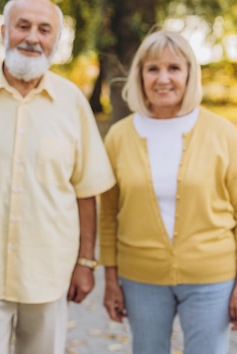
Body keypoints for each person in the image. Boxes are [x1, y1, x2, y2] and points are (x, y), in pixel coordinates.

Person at [0, 0, 116, 354]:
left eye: (44, 29)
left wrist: (86, 261)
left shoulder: (72, 102)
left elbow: (86, 190)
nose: (32, 37)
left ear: (56, 40)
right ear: (5, 31)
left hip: (50, 272)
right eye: (23, 26)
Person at [99, 29, 237, 354]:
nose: (163, 78)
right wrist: (110, 280)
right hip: (140, 277)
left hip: (212, 276)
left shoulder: (223, 134)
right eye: (153, 69)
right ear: (140, 75)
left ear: (190, 73)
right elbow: (108, 217)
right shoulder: (118, 137)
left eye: (174, 68)